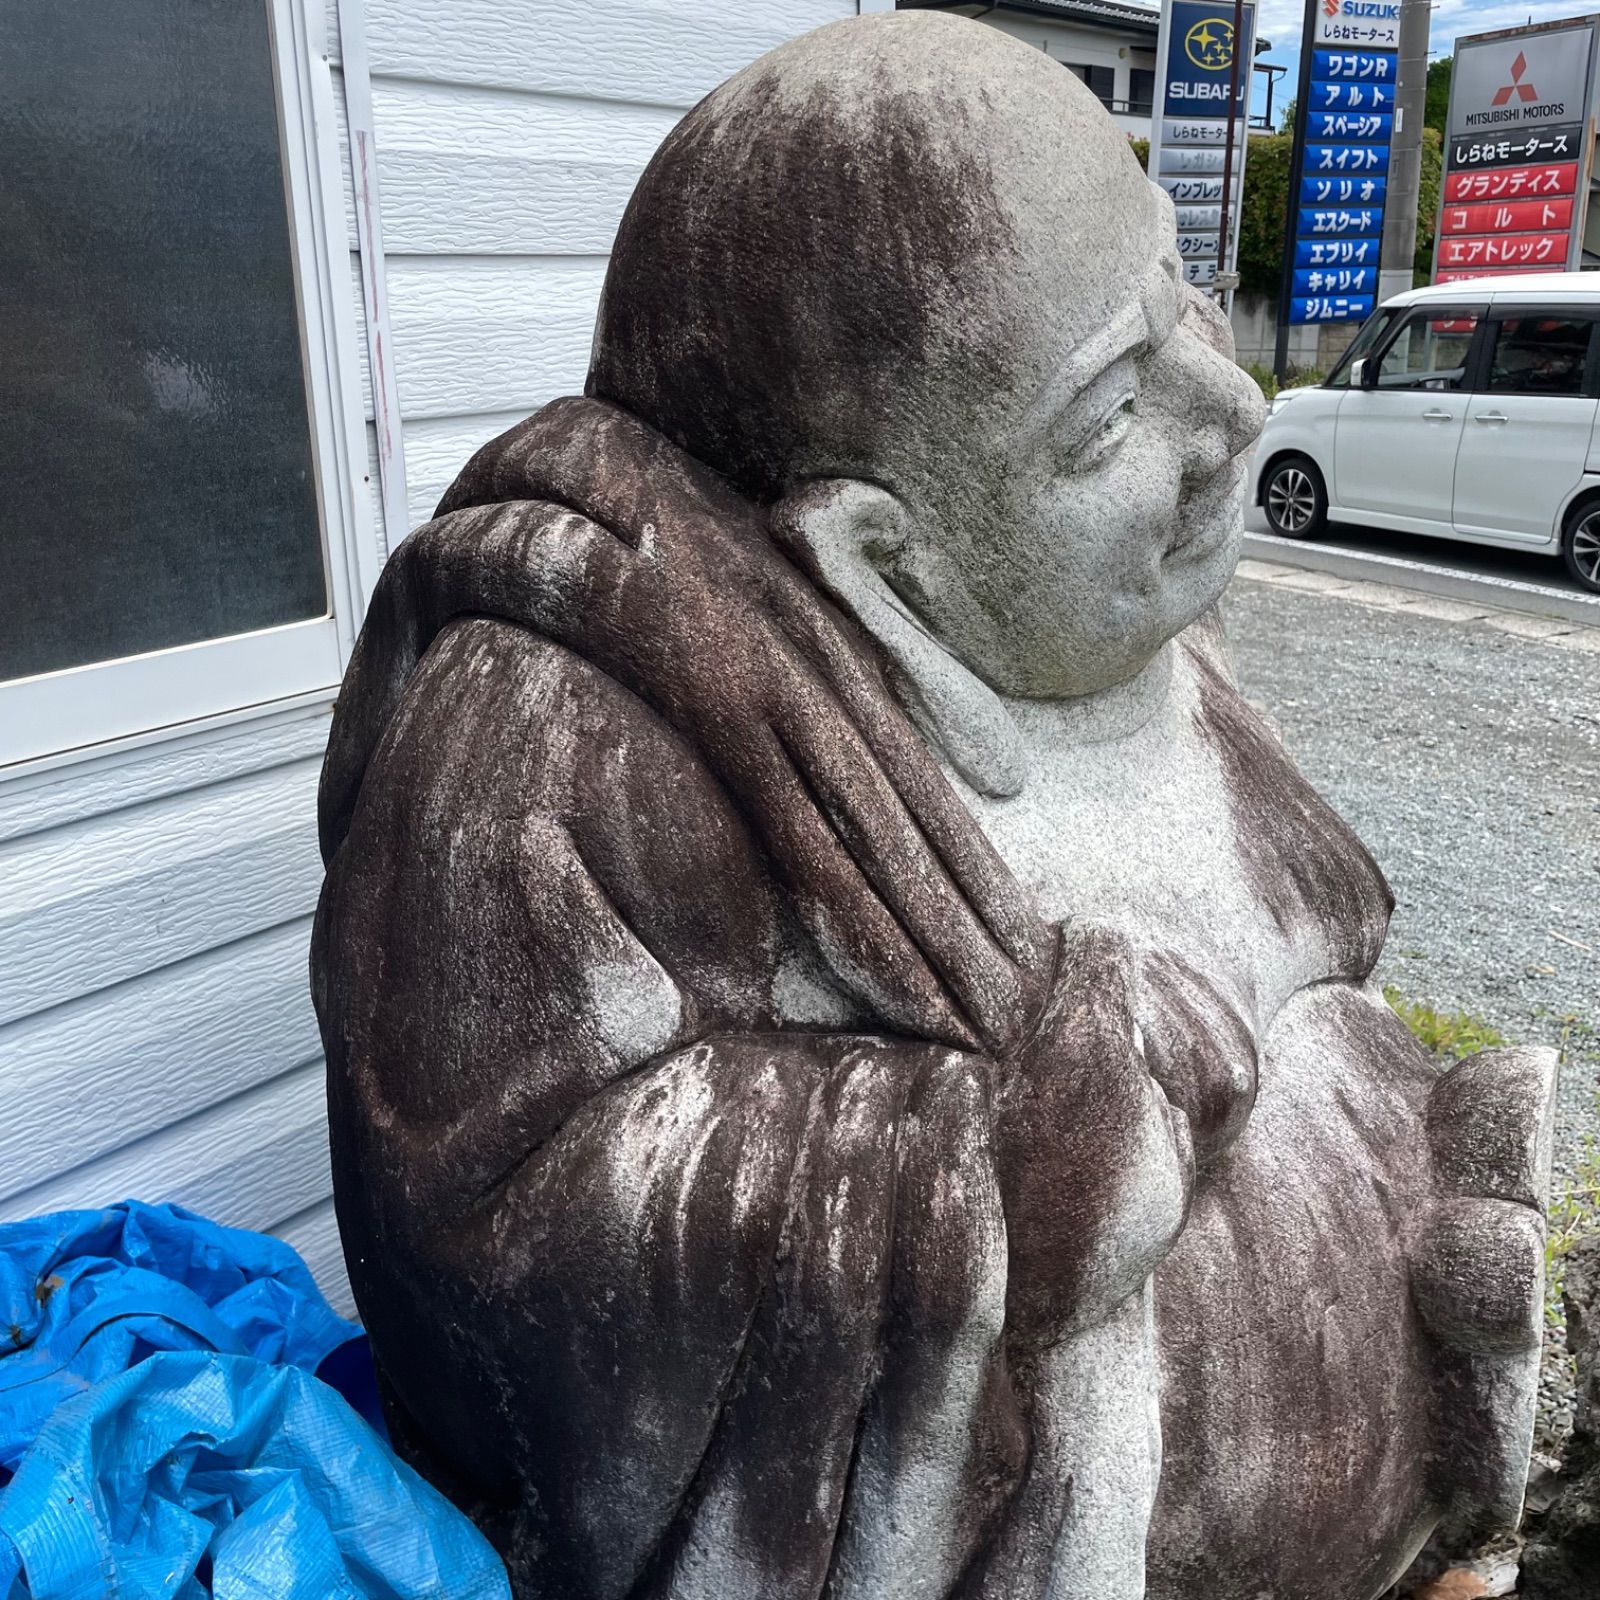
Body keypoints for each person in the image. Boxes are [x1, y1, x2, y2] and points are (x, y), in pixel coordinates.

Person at [312, 15, 1555, 1598]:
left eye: (1178, 295)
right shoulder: (545, 750)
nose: (1234, 404)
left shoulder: (1093, 618)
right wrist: (977, 1173)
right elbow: (495, 1263)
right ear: (875, 561)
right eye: (1109, 416)